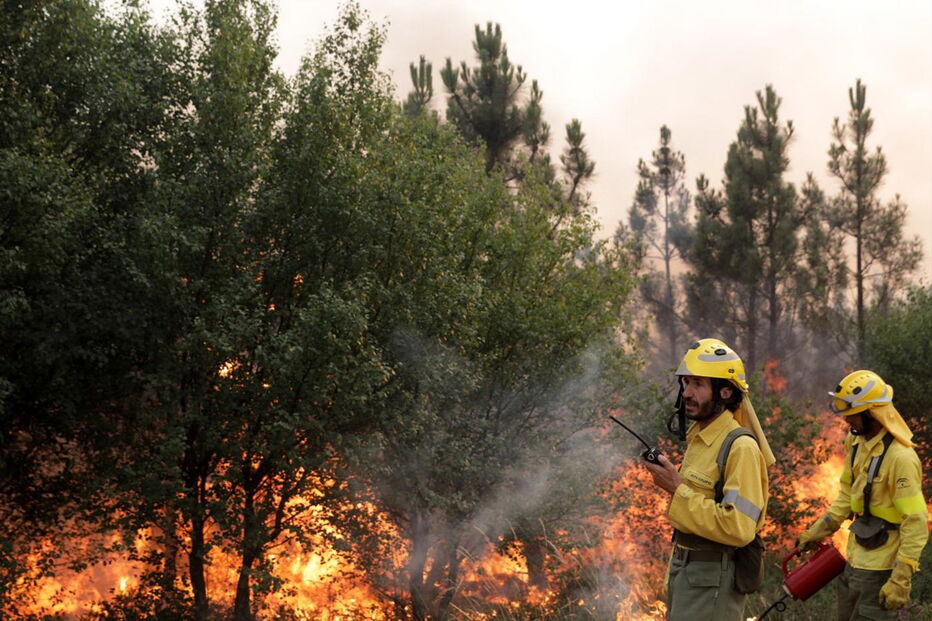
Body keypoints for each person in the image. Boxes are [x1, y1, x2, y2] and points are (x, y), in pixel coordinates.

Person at [644, 338, 775, 620]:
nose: (687, 393)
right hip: (688, 574)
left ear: (725, 392)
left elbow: (739, 528)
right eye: (686, 383)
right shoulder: (701, 438)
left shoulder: (740, 448)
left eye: (698, 384)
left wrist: (676, 489)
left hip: (713, 581)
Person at [797, 370, 928, 620]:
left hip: (881, 570)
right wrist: (819, 530)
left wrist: (901, 578)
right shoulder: (855, 443)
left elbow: (916, 521)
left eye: (852, 414)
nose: (847, 420)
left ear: (872, 412)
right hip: (854, 560)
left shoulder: (900, 458)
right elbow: (847, 496)